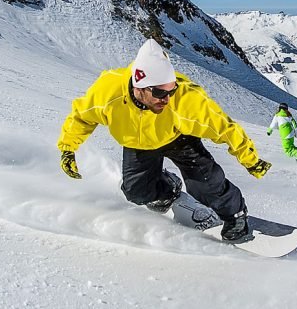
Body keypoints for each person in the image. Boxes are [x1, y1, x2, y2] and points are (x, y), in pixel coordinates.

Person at [56, 39, 271, 242]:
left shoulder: (186, 101)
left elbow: (225, 128)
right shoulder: (108, 92)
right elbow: (82, 117)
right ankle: (168, 189)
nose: (167, 99)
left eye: (171, 90)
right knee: (136, 192)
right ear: (139, 87)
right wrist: (68, 148)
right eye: (159, 93)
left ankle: (235, 215)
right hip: (138, 143)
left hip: (179, 138)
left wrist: (250, 159)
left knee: (205, 185)